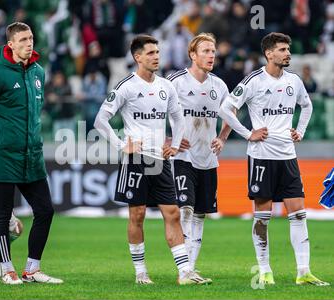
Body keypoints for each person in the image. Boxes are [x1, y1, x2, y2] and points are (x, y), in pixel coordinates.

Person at [219, 32, 329, 286]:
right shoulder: (253, 81)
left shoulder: (294, 81)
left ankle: (304, 272)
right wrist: (248, 133)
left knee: (299, 214)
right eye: (282, 49)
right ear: (269, 53)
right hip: (261, 157)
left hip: (288, 156)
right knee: (262, 217)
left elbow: (307, 105)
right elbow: (226, 108)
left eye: (288, 49)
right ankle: (265, 270)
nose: (287, 53)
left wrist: (299, 130)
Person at [94, 34, 201, 285]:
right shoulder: (126, 86)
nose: (156, 57)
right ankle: (141, 272)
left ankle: (184, 273)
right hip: (136, 159)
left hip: (160, 160)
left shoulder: (166, 87)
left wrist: (174, 145)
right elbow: (100, 120)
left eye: (157, 52)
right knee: (138, 214)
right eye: (151, 53)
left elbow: (178, 118)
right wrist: (122, 145)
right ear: (137, 57)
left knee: (172, 212)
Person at [0, 22, 62, 285]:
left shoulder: (39, 72)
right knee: (1, 215)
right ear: (10, 44)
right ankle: (8, 270)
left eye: (31, 37)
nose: (28, 43)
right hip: (3, 157)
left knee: (45, 210)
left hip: (32, 156)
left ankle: (32, 269)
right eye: (22, 39)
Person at [166, 33, 231, 284]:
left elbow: (231, 115)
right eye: (205, 51)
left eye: (213, 51)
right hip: (183, 157)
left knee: (201, 214)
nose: (211, 55)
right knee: (186, 209)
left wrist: (222, 138)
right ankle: (184, 270)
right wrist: (167, 139)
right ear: (193, 55)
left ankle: (191, 269)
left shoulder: (220, 86)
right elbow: (157, 111)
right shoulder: (175, 82)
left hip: (208, 158)